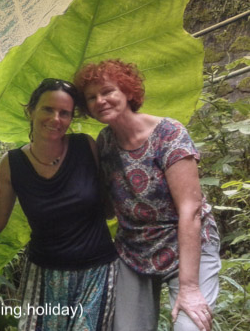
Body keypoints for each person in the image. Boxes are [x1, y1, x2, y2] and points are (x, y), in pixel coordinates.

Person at [74, 60, 220, 331]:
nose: (100, 101)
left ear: (128, 92)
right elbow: (106, 208)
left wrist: (189, 287)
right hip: (134, 249)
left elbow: (191, 210)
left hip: (184, 244)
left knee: (192, 326)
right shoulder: (104, 142)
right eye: (91, 97)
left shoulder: (169, 133)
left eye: (107, 91)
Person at [0, 78, 118, 330]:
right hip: (45, 274)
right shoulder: (12, 163)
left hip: (97, 271)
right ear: (31, 110)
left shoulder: (86, 147)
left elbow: (109, 208)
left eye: (65, 113)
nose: (56, 119)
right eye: (48, 109)